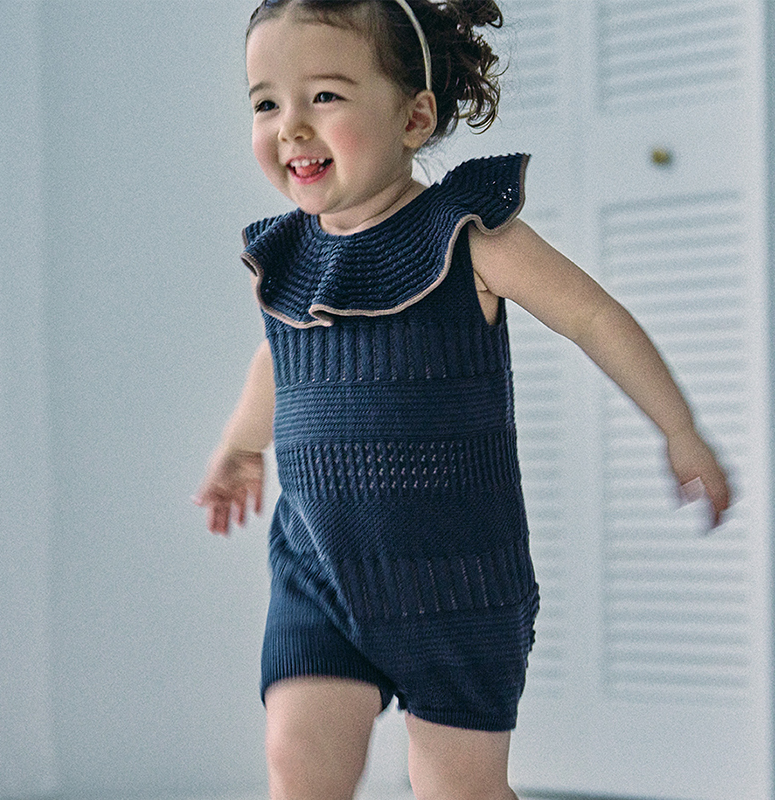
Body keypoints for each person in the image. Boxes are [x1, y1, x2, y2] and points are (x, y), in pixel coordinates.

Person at [194, 1, 732, 798]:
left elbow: (593, 317)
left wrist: (678, 428)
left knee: (458, 790)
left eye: (325, 96)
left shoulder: (466, 236)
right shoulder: (285, 261)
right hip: (321, 572)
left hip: (456, 586)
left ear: (414, 118)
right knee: (298, 766)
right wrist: (241, 445)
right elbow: (281, 360)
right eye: (267, 102)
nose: (291, 126)